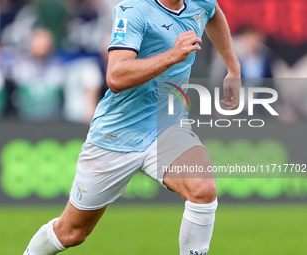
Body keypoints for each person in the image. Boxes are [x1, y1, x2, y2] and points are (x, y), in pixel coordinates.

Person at [23, 0, 241, 254]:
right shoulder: (133, 10)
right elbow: (115, 76)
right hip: (116, 134)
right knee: (72, 233)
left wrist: (233, 68)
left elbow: (213, 13)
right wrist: (172, 55)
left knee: (203, 189)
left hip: (167, 126)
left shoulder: (199, 2)